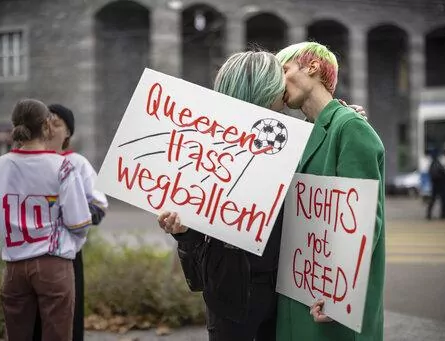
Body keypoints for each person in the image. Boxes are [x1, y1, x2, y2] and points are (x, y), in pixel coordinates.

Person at [157, 51, 368, 341]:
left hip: (284, 290)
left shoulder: (291, 137)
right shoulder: (208, 141)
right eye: (277, 77)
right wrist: (182, 231)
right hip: (231, 293)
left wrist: (340, 120)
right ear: (261, 86)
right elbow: (196, 226)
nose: (284, 84)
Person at [275, 42, 385, 341]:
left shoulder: (350, 127)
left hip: (330, 303)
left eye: (284, 70)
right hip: (301, 294)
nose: (278, 82)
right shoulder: (301, 134)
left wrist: (338, 292)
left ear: (312, 67)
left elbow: (362, 224)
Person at [0, 99, 92, 341]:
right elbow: (80, 223)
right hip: (52, 264)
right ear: (46, 126)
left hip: (13, 268)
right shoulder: (62, 166)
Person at [32, 104, 108, 341]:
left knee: (67, 319)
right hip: (30, 252)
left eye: (57, 124)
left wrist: (70, 212)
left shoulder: (77, 163)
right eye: (46, 123)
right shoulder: (26, 162)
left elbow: (99, 206)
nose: (50, 128)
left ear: (68, 133)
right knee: (31, 319)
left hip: (67, 254)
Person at [426, 149, 445, 219]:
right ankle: (443, 215)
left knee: (433, 200)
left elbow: (430, 173)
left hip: (435, 184)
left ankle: (429, 214)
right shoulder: (437, 163)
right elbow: (442, 172)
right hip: (439, 184)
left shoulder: (432, 164)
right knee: (442, 199)